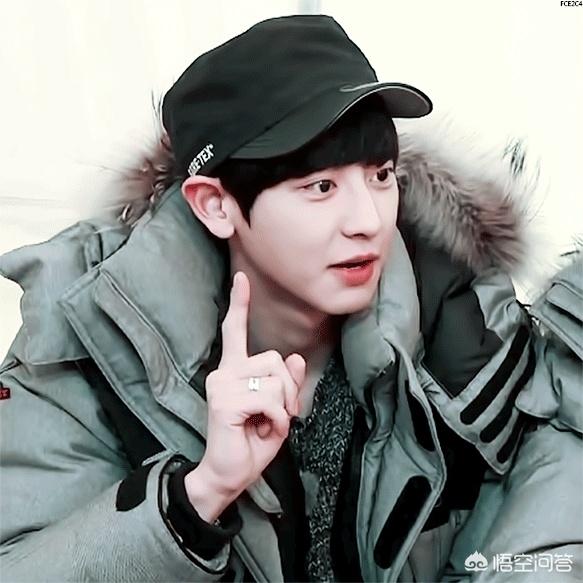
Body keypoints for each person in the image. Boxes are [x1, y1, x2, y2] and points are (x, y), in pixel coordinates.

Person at [0, 14, 581, 583]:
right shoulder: (85, 352)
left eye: (380, 175)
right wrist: (196, 498)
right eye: (321, 187)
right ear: (216, 205)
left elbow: (541, 532)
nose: (367, 221)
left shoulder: (470, 329)